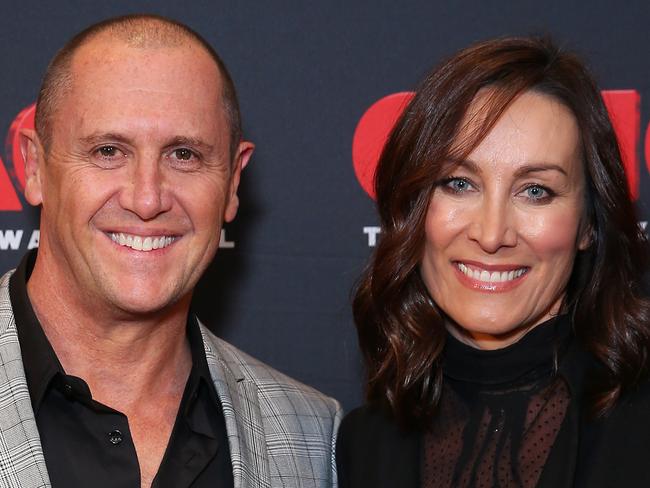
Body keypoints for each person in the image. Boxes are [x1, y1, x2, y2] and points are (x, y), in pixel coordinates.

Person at [0, 14, 341, 487]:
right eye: (107, 151)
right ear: (33, 167)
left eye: (184, 155)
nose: (146, 199)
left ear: (233, 181)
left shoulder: (311, 434)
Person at [336, 36, 650, 488]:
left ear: (588, 225)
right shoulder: (364, 443)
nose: (491, 233)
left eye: (535, 190)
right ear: (413, 207)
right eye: (459, 183)